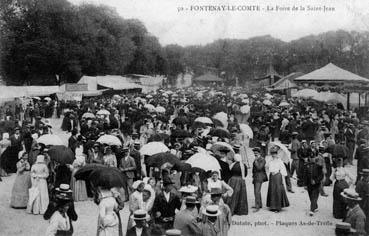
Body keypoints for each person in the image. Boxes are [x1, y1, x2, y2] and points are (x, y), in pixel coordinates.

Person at [266, 146, 289, 213]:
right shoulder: (270, 161)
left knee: (277, 190)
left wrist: (277, 172)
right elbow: (268, 168)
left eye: (275, 154)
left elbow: (283, 171)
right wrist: (269, 168)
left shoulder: (280, 161)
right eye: (272, 154)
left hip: (277, 176)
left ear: (277, 154)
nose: (273, 155)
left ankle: (278, 207)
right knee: (272, 190)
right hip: (272, 177)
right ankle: (272, 206)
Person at [226, 146, 248, 216]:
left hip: (233, 180)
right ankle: (240, 210)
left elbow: (229, 173)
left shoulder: (232, 165)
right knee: (241, 196)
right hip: (241, 180)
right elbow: (246, 174)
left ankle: (232, 209)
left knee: (233, 195)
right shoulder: (243, 165)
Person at [252, 147, 268, 212]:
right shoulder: (256, 159)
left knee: (257, 191)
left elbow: (259, 168)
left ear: (259, 153)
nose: (255, 154)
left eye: (256, 153)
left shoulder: (262, 159)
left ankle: (257, 206)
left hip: (259, 177)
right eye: (254, 153)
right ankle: (259, 204)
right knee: (256, 191)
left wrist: (256, 161)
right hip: (255, 177)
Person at [355, 169, 369, 233]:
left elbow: (356, 190)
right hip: (365, 202)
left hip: (359, 201)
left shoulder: (359, 182)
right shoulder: (365, 184)